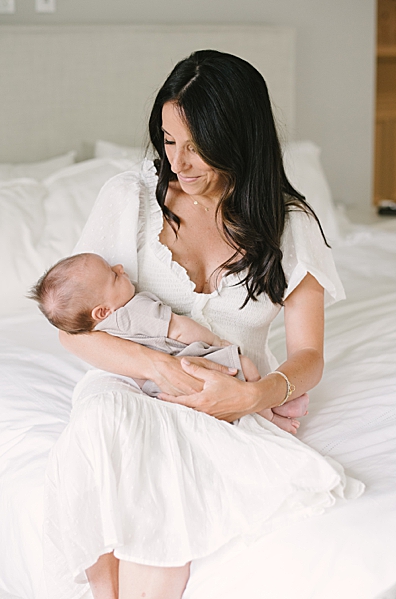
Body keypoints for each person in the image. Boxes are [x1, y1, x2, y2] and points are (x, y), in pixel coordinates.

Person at [42, 50, 363, 599]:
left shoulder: (291, 225)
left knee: (157, 465)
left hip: (226, 401)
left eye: (197, 145)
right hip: (128, 381)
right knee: (108, 418)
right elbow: (73, 325)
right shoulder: (130, 199)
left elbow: (309, 355)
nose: (179, 162)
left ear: (239, 137)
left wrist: (255, 396)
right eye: (168, 141)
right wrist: (162, 369)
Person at [30, 252, 299, 434]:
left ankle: (270, 414)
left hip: (157, 387)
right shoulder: (135, 311)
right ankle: (271, 416)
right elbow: (180, 329)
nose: (120, 268)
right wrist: (216, 340)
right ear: (102, 311)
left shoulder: (99, 329)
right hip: (193, 361)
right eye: (113, 275)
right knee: (246, 367)